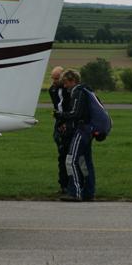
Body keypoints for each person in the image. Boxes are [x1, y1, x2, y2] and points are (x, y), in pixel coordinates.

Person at [54, 69, 96, 202]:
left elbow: (75, 113)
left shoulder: (77, 92)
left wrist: (60, 115)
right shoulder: (86, 91)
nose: (64, 86)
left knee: (70, 160)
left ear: (73, 81)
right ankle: (88, 192)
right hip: (88, 130)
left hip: (81, 131)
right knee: (84, 163)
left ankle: (75, 192)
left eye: (66, 83)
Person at [48, 66, 71, 194]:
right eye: (53, 78)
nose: (54, 81)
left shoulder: (69, 90)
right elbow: (57, 107)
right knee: (62, 155)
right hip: (59, 123)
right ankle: (63, 184)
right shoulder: (52, 90)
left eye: (57, 78)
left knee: (67, 156)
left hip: (68, 123)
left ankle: (69, 184)